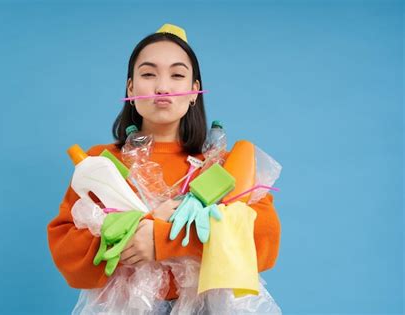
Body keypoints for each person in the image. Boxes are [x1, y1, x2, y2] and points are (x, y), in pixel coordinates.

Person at [47, 23, 281, 311]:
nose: (162, 87)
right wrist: (132, 235)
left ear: (194, 91)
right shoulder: (101, 164)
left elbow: (263, 243)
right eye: (148, 74)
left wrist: (162, 240)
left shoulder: (223, 165)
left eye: (177, 75)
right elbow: (67, 252)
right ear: (130, 88)